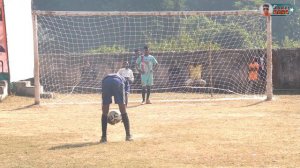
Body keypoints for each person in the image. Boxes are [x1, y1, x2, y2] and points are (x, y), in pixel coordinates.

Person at [100, 73, 133, 143]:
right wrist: (123, 115)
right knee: (123, 110)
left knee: (105, 112)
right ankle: (128, 136)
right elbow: (126, 96)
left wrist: (104, 111)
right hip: (117, 81)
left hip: (106, 81)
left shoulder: (116, 76)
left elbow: (103, 101)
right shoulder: (126, 82)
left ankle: (104, 138)